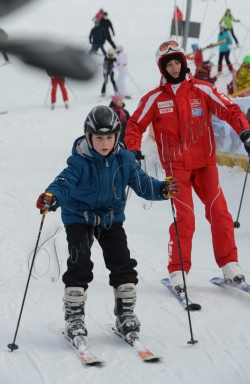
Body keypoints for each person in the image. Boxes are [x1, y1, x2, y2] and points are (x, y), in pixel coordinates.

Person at [36, 105, 179, 344]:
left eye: (110, 137)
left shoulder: (124, 159)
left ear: (117, 137)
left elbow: (142, 183)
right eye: (99, 137)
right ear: (88, 136)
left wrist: (162, 189)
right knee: (79, 264)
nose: (105, 143)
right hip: (79, 219)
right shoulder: (78, 161)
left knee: (122, 262)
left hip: (111, 219)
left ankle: (125, 314)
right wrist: (52, 197)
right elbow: (63, 183)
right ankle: (74, 316)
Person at [124, 39, 250, 296]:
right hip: (176, 168)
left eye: (176, 62)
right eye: (168, 63)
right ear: (162, 67)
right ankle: (178, 270)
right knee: (185, 218)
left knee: (220, 213)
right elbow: (134, 125)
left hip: (205, 164)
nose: (173, 67)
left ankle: (229, 264)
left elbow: (230, 109)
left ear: (183, 62)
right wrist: (132, 148)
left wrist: (245, 133)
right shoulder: (155, 98)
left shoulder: (203, 89)